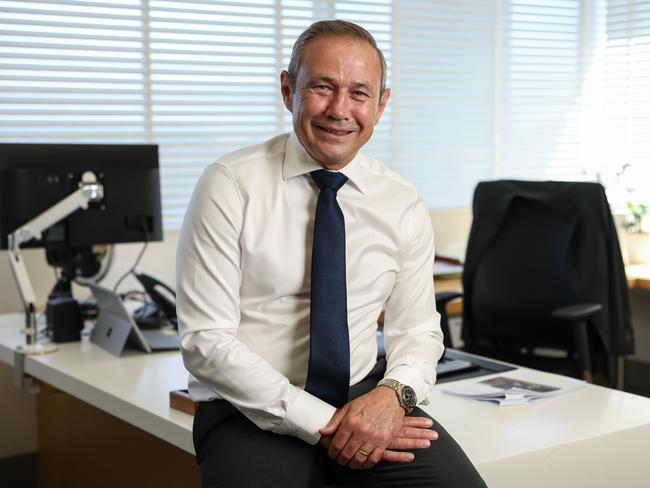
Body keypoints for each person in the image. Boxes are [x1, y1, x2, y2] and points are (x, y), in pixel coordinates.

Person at [176, 19, 486, 488]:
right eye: (323, 87)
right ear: (288, 89)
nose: (340, 110)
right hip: (246, 407)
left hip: (364, 399)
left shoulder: (401, 202)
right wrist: (324, 423)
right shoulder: (229, 185)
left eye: (360, 93)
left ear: (381, 105)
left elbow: (419, 331)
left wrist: (393, 397)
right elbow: (207, 343)